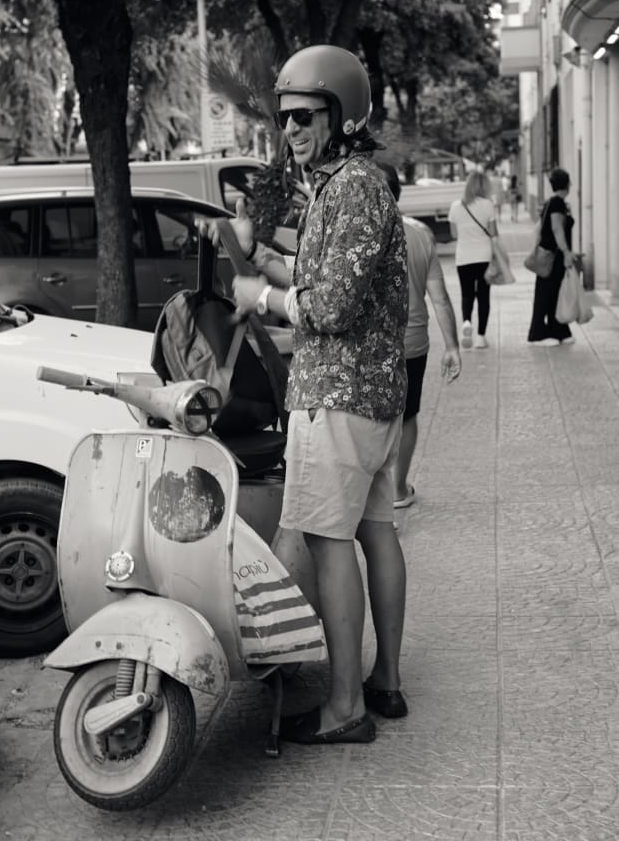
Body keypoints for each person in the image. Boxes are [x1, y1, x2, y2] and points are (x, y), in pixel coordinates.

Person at [201, 45, 409, 744]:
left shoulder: (351, 186)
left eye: (304, 116)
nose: (289, 129)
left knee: (327, 542)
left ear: (341, 114)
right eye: (284, 118)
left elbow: (338, 304)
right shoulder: (341, 184)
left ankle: (344, 707)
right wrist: (272, 263)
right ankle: (382, 683)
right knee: (375, 532)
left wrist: (263, 295)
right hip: (369, 394)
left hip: (340, 396)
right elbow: (327, 271)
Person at [376, 163, 461, 508]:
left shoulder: (357, 232)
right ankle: (398, 490)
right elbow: (439, 297)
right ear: (399, 191)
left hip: (372, 347)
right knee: (407, 414)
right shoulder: (421, 234)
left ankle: (374, 496)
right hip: (413, 343)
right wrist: (452, 346)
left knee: (375, 419)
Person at [448, 171, 498, 349]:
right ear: (484, 186)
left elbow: (454, 235)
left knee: (466, 294)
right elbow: (492, 233)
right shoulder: (488, 205)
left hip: (463, 257)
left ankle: (467, 322)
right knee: (484, 296)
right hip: (484, 256)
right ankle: (481, 337)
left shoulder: (455, 206)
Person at [527, 167, 575, 346]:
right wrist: (566, 252)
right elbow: (556, 229)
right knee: (546, 293)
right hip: (552, 257)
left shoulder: (553, 202)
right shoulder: (557, 203)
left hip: (549, 255)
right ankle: (538, 333)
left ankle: (558, 330)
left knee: (553, 293)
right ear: (567, 184)